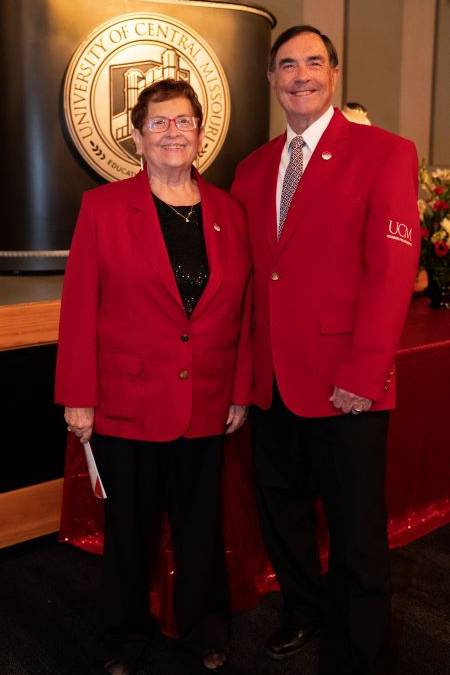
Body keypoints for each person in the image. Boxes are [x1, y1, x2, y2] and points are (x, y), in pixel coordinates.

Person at [231, 25, 419, 675]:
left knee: (357, 531)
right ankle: (303, 608)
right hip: (271, 381)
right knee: (282, 516)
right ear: (272, 78)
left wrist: (364, 372)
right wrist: (241, 382)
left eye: (313, 62)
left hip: (348, 383)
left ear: (334, 74)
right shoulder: (252, 169)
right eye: (287, 64)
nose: (300, 74)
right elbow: (253, 281)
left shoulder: (385, 152)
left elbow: (392, 272)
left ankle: (360, 646)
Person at [55, 78, 252, 675]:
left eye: (183, 121)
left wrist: (239, 390)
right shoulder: (104, 207)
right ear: (137, 137)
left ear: (200, 133)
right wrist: (78, 400)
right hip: (125, 401)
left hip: (207, 400)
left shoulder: (229, 210)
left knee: (199, 527)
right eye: (160, 123)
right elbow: (79, 305)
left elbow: (243, 311)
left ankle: (203, 626)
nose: (173, 132)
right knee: (130, 532)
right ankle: (122, 635)